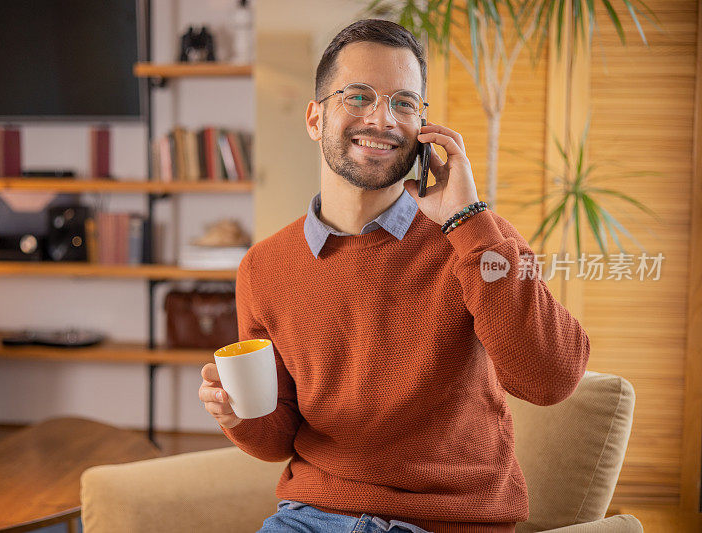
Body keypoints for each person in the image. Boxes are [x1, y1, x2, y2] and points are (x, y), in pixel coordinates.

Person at [199, 18, 590, 533]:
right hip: (312, 518)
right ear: (316, 119)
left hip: (447, 523)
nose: (382, 119)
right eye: (358, 96)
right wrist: (237, 418)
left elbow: (550, 379)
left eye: (403, 103)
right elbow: (279, 438)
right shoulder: (265, 268)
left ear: (423, 129)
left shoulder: (474, 239)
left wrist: (468, 219)